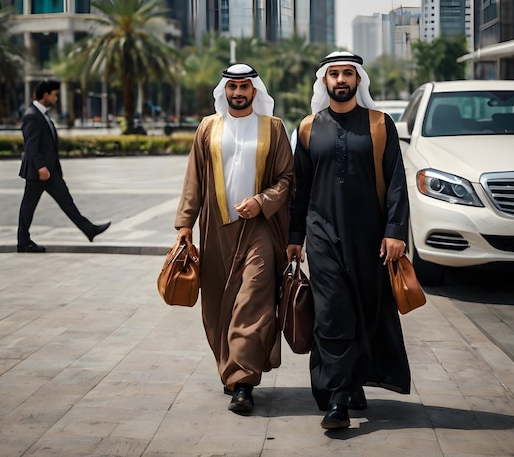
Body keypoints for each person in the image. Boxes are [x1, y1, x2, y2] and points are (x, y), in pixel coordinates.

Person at [287, 51, 411, 430]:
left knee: (364, 310)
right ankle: (337, 397)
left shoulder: (379, 124)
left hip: (369, 237)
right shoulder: (309, 128)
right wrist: (295, 237)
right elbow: (300, 188)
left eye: (347, 74)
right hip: (323, 235)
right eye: (334, 74)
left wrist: (394, 232)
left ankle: (354, 380)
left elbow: (396, 183)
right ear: (324, 81)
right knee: (332, 313)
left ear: (358, 80)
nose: (340, 80)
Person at [174, 64, 293, 415]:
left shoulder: (274, 129)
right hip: (215, 229)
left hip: (259, 230)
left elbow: (287, 179)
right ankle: (230, 369)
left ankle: (243, 382)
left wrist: (262, 201)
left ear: (256, 90)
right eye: (232, 86)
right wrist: (184, 225)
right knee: (217, 305)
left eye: (245, 86)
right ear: (224, 90)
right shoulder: (208, 128)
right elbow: (193, 179)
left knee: (253, 302)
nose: (238, 92)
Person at [17, 80, 111, 252]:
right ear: (45, 95)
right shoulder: (32, 115)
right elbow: (31, 146)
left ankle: (89, 230)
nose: (56, 98)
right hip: (40, 173)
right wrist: (40, 168)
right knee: (28, 207)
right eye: (54, 95)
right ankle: (23, 243)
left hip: (50, 171)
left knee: (67, 202)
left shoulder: (42, 114)